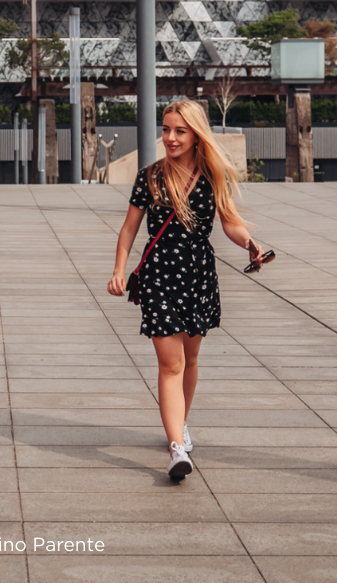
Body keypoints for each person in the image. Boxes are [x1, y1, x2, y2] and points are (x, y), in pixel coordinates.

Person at [107, 100, 263, 481]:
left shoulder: (212, 175)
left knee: (190, 359)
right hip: (159, 272)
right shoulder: (151, 176)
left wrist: (250, 244)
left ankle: (180, 423)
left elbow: (229, 223)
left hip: (197, 273)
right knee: (170, 363)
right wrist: (118, 270)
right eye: (166, 129)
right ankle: (177, 448)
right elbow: (129, 228)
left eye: (180, 131)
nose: (171, 138)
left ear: (196, 135)